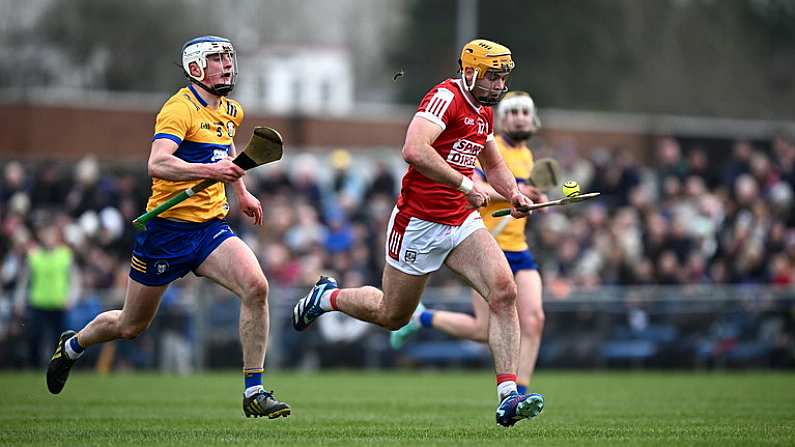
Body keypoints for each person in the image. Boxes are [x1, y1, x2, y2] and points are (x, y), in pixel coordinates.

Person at [292, 39, 544, 427]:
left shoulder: (484, 113)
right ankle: (329, 297)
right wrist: (465, 185)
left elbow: (493, 164)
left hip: (460, 221)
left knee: (504, 290)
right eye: (493, 76)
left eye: (503, 77)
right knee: (392, 315)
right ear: (471, 71)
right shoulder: (446, 97)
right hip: (418, 225)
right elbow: (413, 149)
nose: (499, 85)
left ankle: (509, 396)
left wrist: (513, 193)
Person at [46, 36, 290, 419]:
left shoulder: (231, 111)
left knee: (256, 286)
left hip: (209, 228)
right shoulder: (178, 109)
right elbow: (158, 163)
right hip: (165, 232)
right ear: (195, 68)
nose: (227, 65)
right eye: (217, 59)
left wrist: (239, 190)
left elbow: (226, 154)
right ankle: (73, 346)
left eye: (228, 58)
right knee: (130, 326)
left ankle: (254, 390)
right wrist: (210, 171)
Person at [390, 91, 547, 396]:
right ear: (502, 118)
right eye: (513, 112)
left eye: (524, 113)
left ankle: (520, 393)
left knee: (535, 319)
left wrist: (528, 197)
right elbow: (474, 184)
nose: (519, 118)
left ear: (533, 118)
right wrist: (513, 192)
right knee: (483, 330)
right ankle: (421, 317)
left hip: (519, 248)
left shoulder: (528, 156)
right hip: (484, 241)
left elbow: (517, 193)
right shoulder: (488, 144)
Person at [14, 224, 80, 367]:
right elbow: (24, 280)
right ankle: (35, 366)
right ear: (41, 236)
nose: (48, 239)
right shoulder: (33, 255)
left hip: (59, 304)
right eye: (46, 235)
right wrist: (19, 300)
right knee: (35, 336)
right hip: (38, 303)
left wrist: (72, 298)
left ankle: (59, 366)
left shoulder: (65, 254)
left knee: (60, 338)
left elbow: (74, 279)